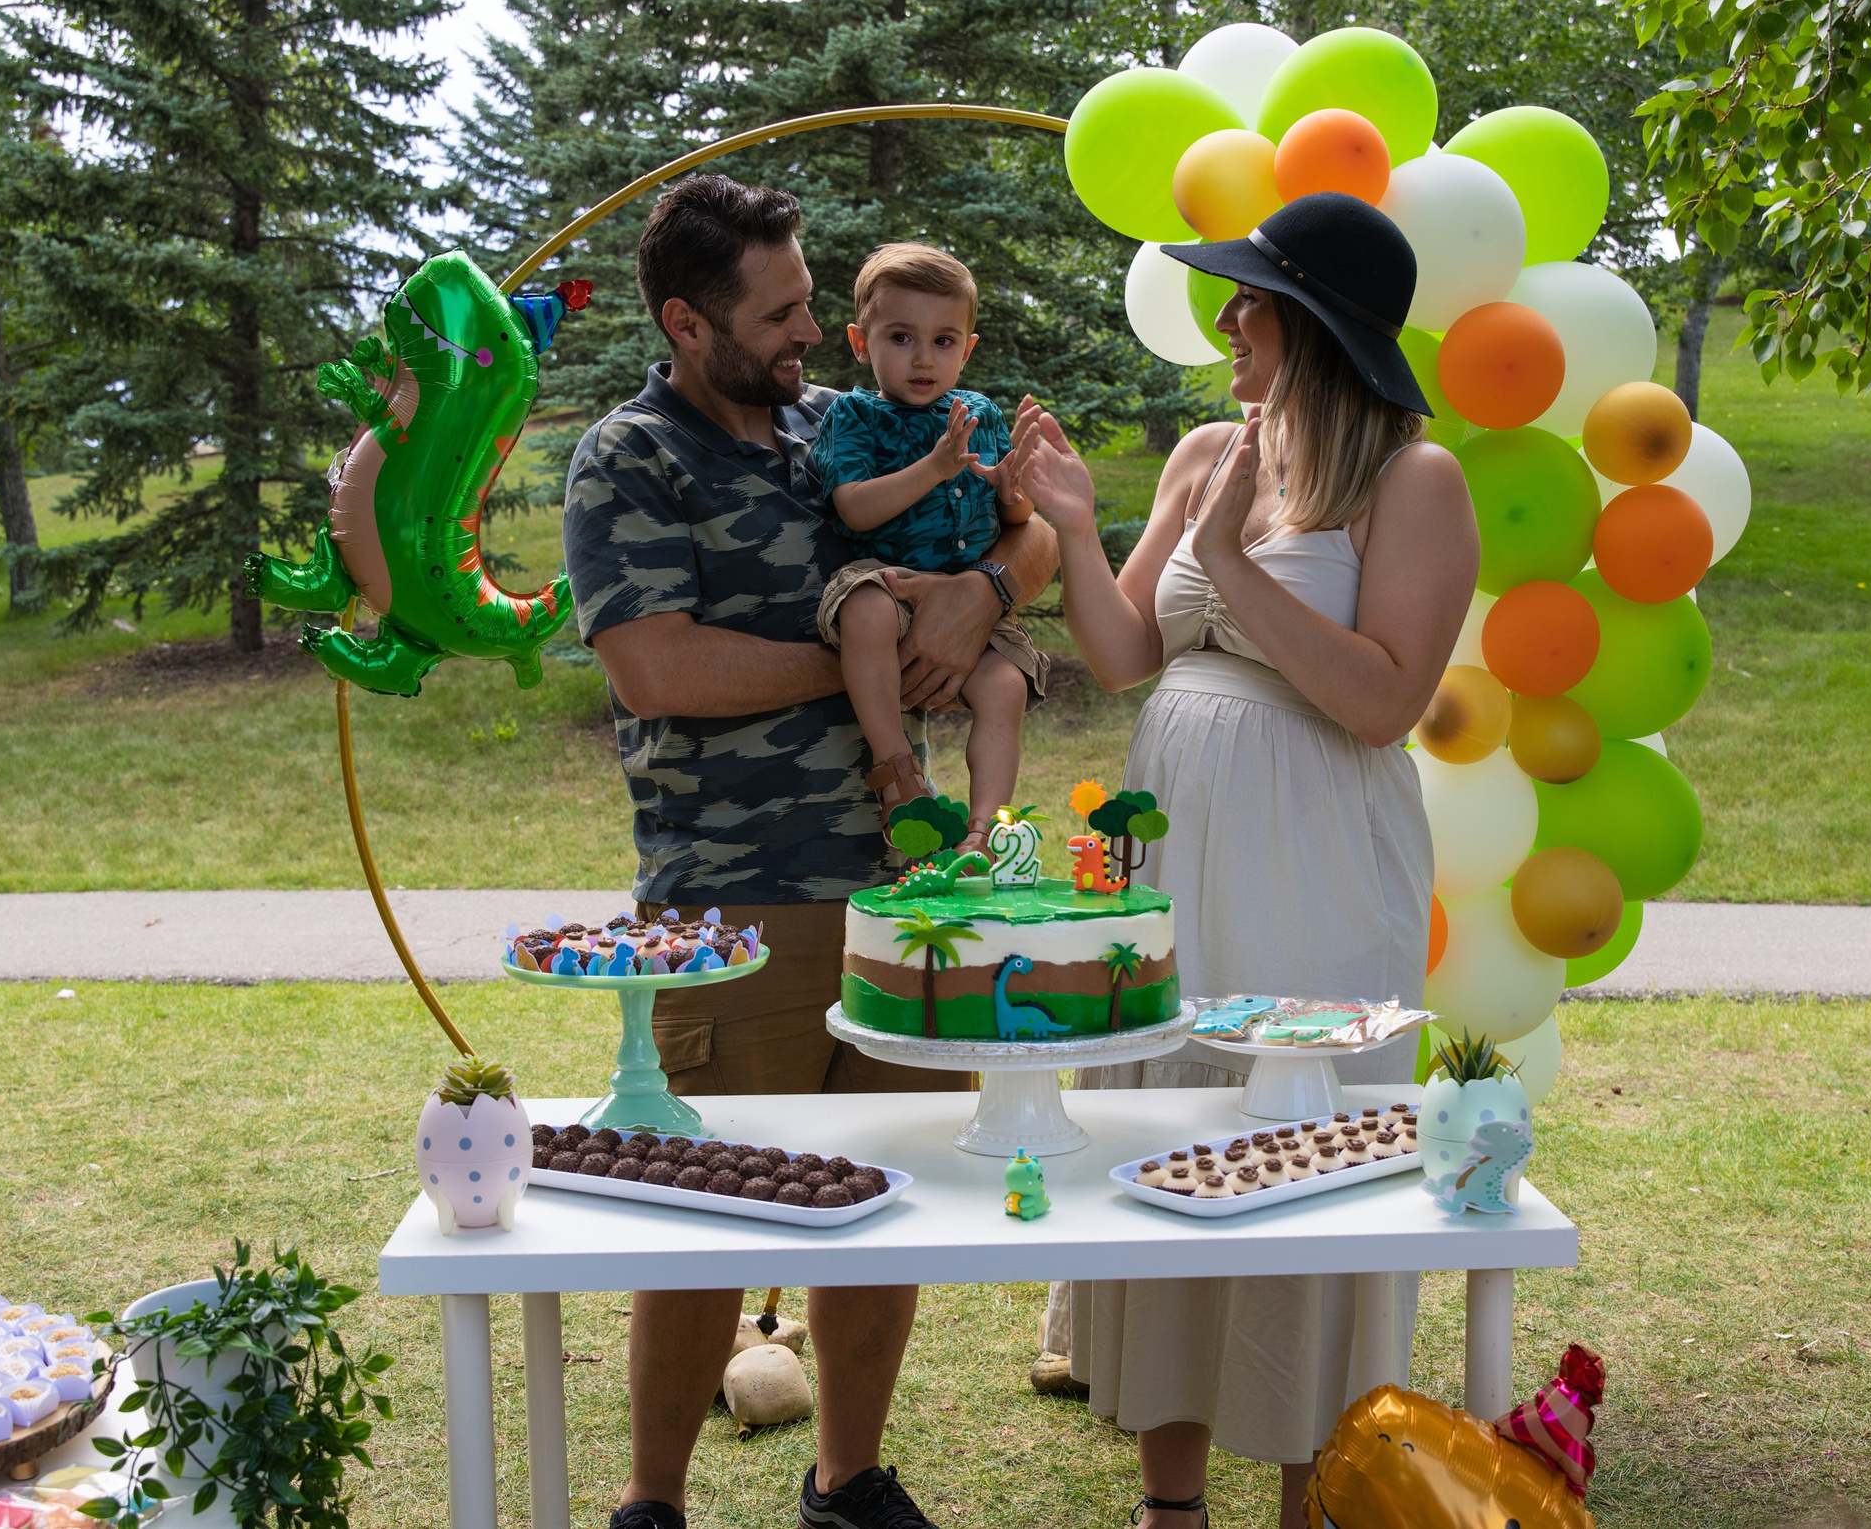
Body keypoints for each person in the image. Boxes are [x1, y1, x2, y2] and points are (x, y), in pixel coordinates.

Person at [561, 173, 1058, 1529]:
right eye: (776, 310)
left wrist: (979, 592)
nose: (802, 332)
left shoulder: (839, 426)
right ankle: (651, 1504)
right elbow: (654, 662)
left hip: (908, 897)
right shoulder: (632, 455)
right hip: (737, 904)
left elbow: (1030, 536)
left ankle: (846, 1480)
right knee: (709, 1207)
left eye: (806, 303)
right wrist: (863, 672)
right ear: (684, 320)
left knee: (880, 1192)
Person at [1014, 192, 1479, 1529]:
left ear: (1315, 325)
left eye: (1251, 300)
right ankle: (1171, 1504)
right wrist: (1082, 526)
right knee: (1167, 1117)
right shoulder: (1209, 447)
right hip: (1177, 840)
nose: (1225, 320)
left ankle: (1306, 1493)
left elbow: (1382, 698)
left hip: (1319, 851)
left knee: (1302, 1137)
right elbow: (1122, 654)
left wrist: (1233, 561)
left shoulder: (1412, 479)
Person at [810, 244, 1050, 845]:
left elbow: (1017, 516)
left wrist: (1012, 486)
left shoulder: (980, 414)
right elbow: (854, 507)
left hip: (968, 588)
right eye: (899, 337)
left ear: (967, 350)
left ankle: (985, 827)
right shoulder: (855, 416)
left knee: (1005, 686)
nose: (923, 358)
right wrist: (936, 467)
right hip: (884, 580)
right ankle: (898, 771)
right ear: (860, 342)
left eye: (944, 341)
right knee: (862, 609)